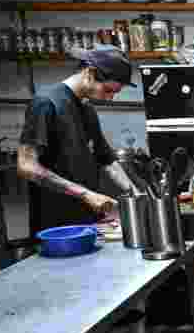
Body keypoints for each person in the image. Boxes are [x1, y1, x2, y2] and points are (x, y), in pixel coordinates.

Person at [17, 46, 135, 236]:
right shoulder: (46, 103)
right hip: (56, 228)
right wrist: (85, 194)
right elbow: (26, 166)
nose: (111, 97)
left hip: (88, 223)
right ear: (89, 73)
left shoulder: (87, 109)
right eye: (108, 90)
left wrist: (135, 193)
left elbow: (106, 159)